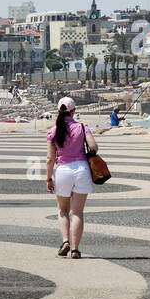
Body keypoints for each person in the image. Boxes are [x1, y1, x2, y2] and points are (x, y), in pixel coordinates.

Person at [46, 96, 96, 259]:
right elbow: (94, 146)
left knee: (62, 210)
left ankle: (65, 241)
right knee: (77, 212)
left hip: (63, 171)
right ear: (73, 111)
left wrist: (48, 179)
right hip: (81, 169)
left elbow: (50, 158)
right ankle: (75, 249)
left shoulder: (53, 131)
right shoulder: (82, 126)